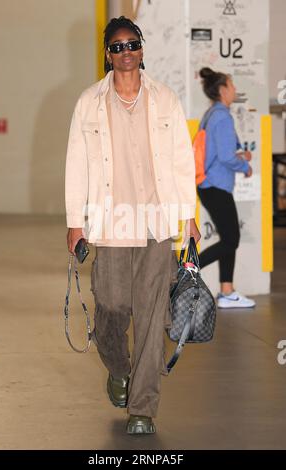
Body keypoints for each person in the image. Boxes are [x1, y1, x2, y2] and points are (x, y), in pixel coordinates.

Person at [65, 16, 200, 435]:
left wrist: (189, 217)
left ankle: (142, 407)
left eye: (132, 45)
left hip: (156, 224)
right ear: (108, 54)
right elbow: (76, 165)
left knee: (149, 312)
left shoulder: (166, 99)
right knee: (110, 304)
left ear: (142, 49)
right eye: (117, 47)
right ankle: (118, 369)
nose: (126, 53)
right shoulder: (89, 101)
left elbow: (181, 162)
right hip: (110, 221)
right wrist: (75, 222)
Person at [197, 67, 255, 309]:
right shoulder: (222, 116)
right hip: (215, 185)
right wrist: (244, 166)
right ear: (222, 90)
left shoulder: (212, 114)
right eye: (231, 86)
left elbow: (219, 151)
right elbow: (225, 157)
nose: (235, 90)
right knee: (231, 239)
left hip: (211, 185)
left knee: (229, 236)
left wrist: (238, 155)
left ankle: (227, 291)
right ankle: (185, 271)